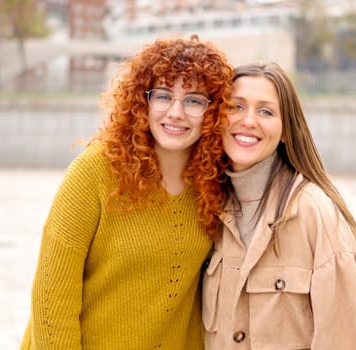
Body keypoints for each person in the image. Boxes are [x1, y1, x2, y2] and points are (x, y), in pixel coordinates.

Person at [19, 35, 233, 349]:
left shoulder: (214, 183)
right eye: (163, 96)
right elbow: (51, 296)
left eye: (194, 100)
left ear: (214, 110)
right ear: (141, 101)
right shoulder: (94, 173)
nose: (175, 112)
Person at [202, 62, 356, 349]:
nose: (248, 120)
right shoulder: (210, 209)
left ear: (285, 131)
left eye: (265, 111)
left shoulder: (314, 213)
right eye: (235, 106)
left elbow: (355, 340)